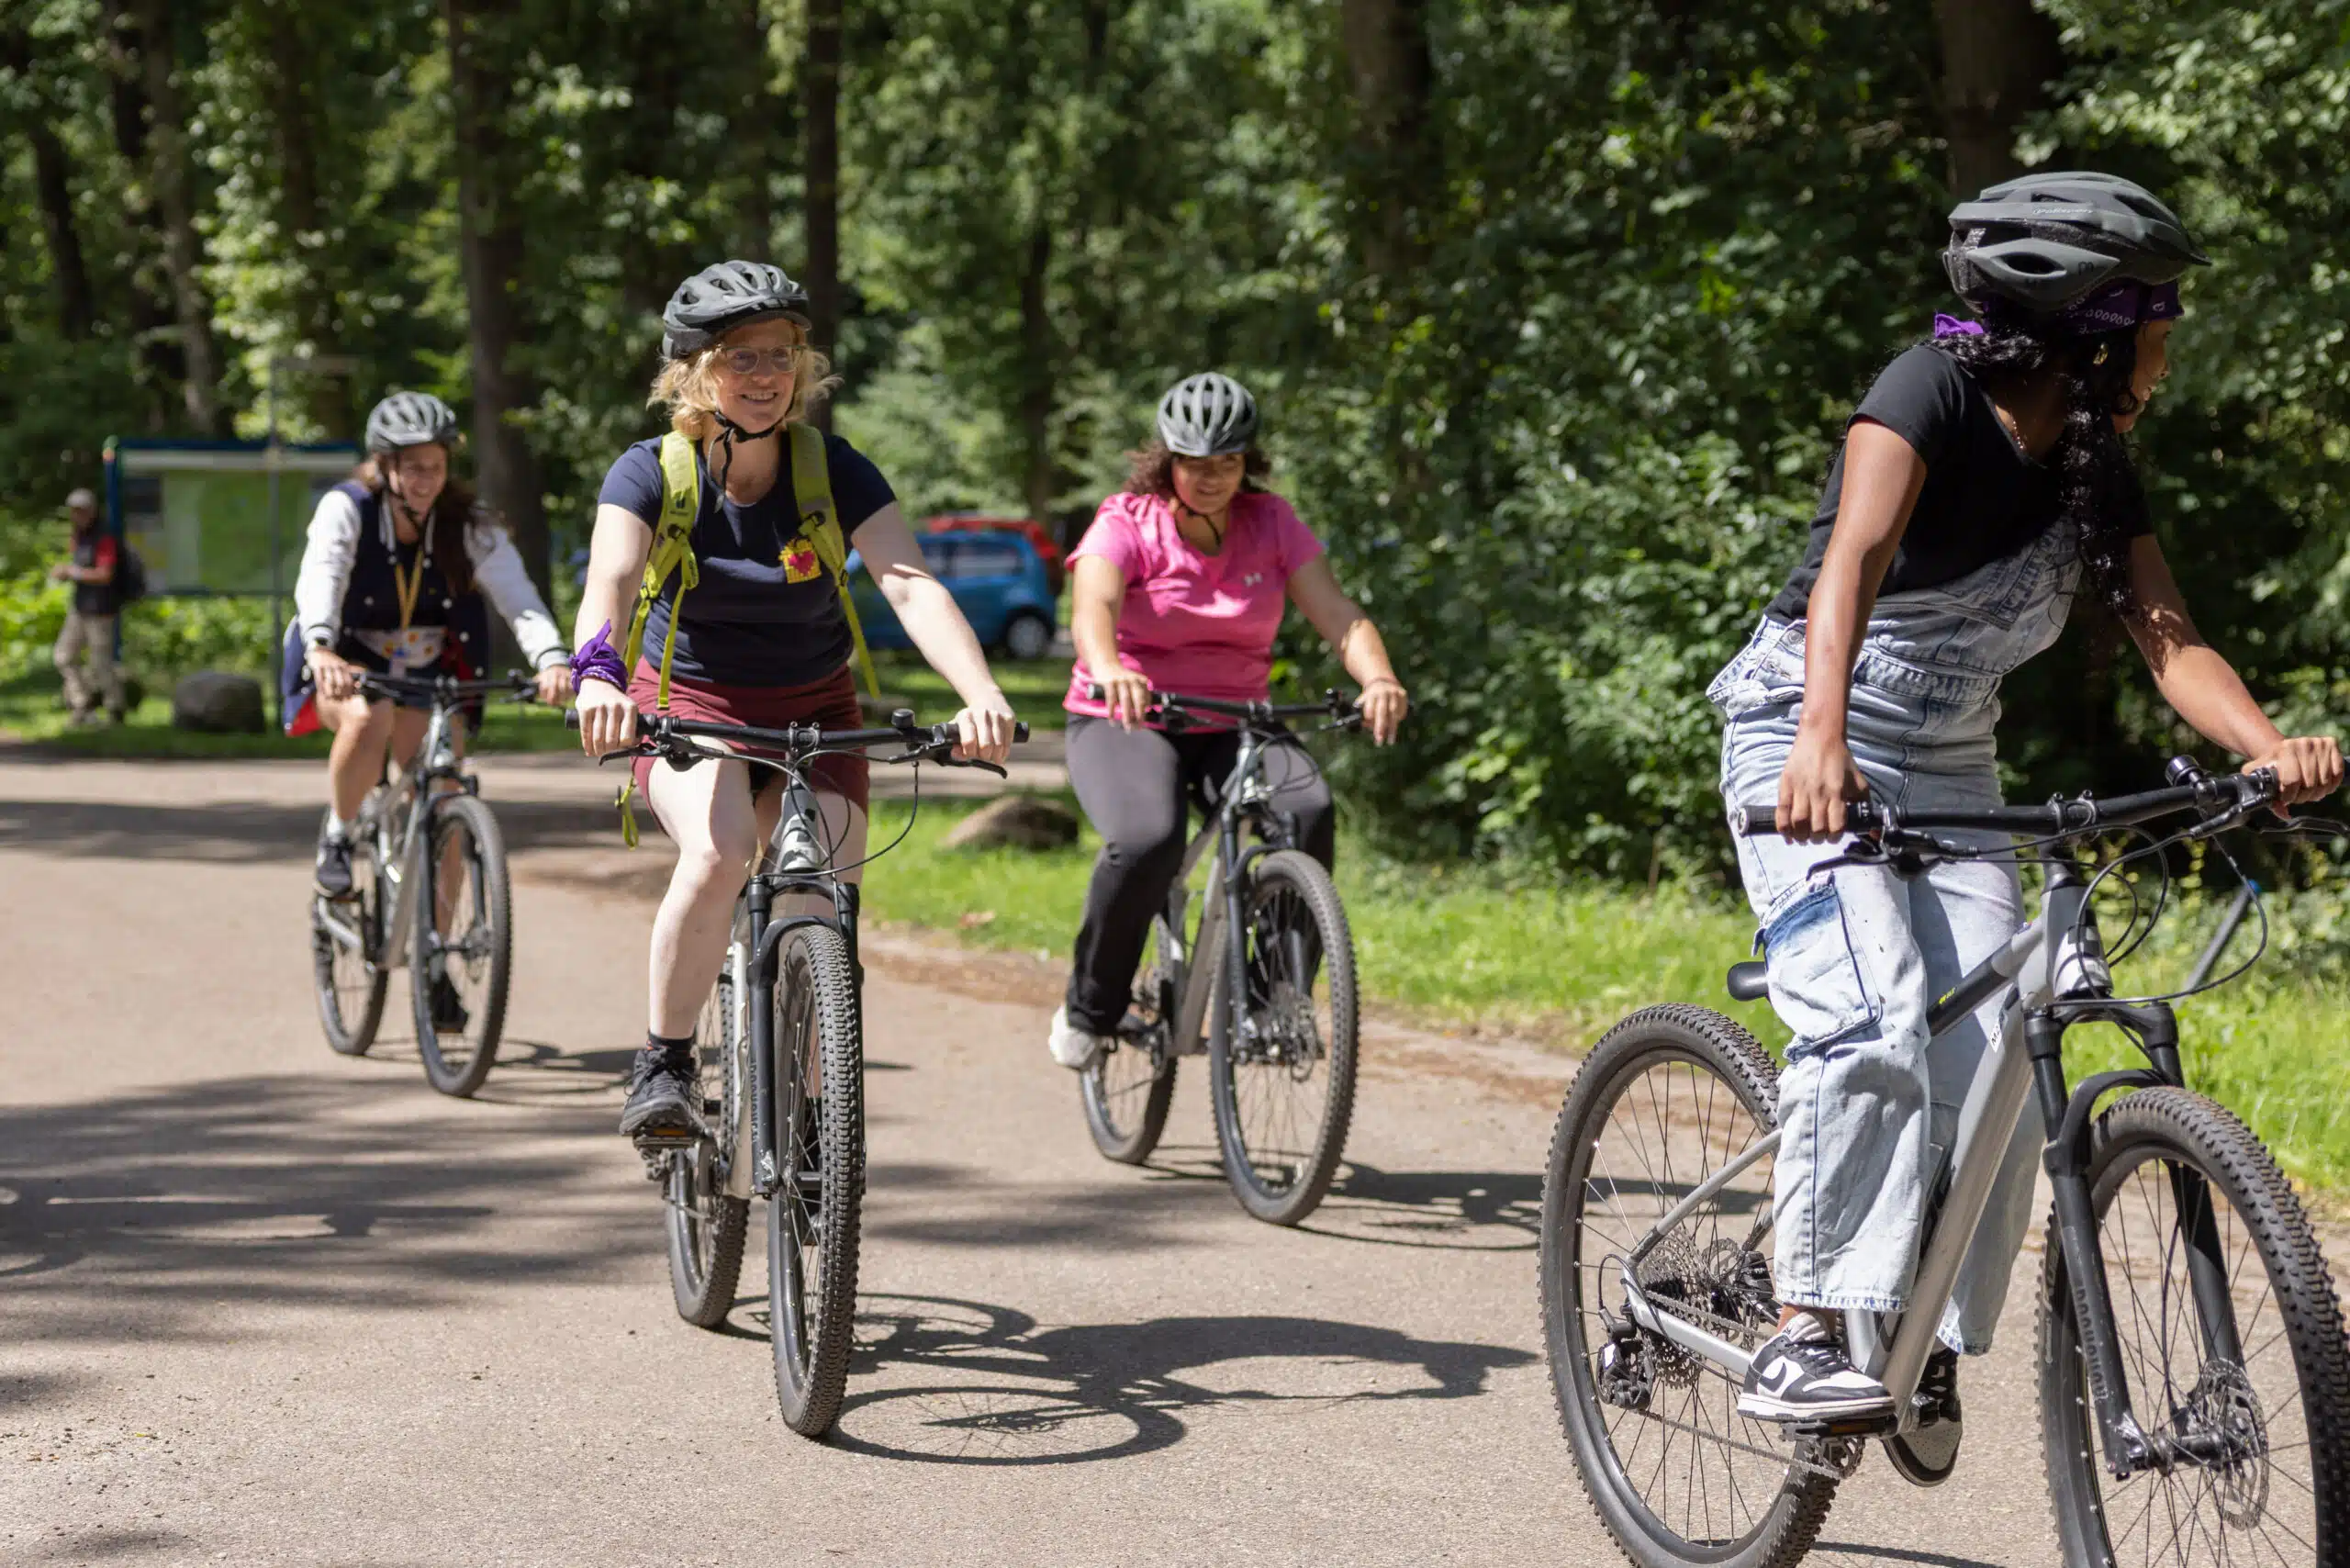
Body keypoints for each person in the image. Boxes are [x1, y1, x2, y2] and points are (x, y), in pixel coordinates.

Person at [1712, 173, 2344, 1437]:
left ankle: (1922, 1325)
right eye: (2158, 324)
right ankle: (1802, 1325)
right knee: (1873, 1015)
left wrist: (2272, 748)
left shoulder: (2097, 463)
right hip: (1807, 726)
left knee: (2008, 1029)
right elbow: (1853, 564)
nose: (2170, 350)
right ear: (2092, 331)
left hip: (1952, 762)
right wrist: (1822, 742)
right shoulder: (1923, 393)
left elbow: (2167, 639)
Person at [570, 260, 1017, 1144]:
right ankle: (664, 1064)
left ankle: (816, 1114)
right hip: (688, 699)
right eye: (742, 357)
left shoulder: (833, 468)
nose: (767, 374)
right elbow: (611, 581)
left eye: (782, 353)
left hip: (815, 706)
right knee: (723, 849)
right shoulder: (648, 471)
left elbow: (909, 580)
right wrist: (597, 675)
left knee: (822, 902)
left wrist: (982, 694)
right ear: (695, 370)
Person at [1047, 372, 1408, 1070]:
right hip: (1126, 715)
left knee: (1307, 807)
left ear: (1249, 463)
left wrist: (1379, 677)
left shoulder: (1271, 522)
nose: (1211, 478)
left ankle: (1275, 1005)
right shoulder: (1126, 520)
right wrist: (1109, 665)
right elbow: (1093, 606)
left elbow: (1337, 613)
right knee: (1148, 838)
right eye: (1194, 463)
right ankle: (1092, 1004)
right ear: (1167, 460)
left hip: (1235, 718)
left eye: (1227, 464)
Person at [294, 391, 574, 915]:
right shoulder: (347, 509)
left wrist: (552, 659)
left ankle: (442, 964)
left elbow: (519, 597)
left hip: (428, 675)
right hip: (350, 665)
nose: (426, 479)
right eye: (413, 467)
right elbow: (322, 577)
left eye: (436, 467)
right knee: (368, 716)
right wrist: (321, 647)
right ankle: (339, 833)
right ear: (385, 465)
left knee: (447, 792)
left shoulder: (468, 524)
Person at [49, 487, 125, 725]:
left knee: (100, 663)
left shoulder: (104, 537)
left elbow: (105, 574)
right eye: (74, 510)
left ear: (92, 510)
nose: (78, 515)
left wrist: (73, 573)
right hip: (79, 608)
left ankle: (115, 709)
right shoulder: (78, 536)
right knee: (63, 656)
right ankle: (82, 705)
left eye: (82, 510)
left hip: (101, 610)